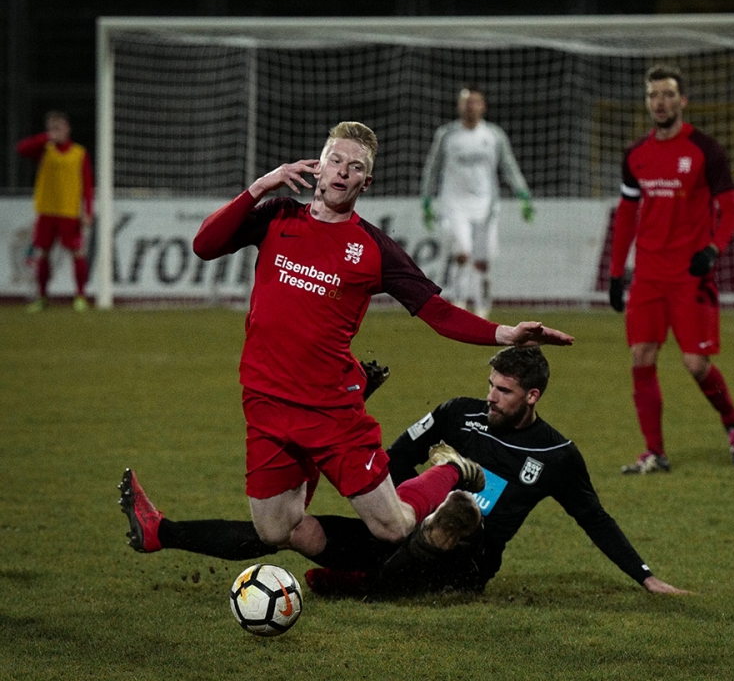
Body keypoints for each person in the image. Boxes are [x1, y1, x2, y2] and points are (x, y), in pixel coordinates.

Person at [183, 120, 573, 572]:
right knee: (275, 530)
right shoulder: (278, 215)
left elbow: (437, 312)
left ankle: (450, 469)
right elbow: (204, 245)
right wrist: (260, 187)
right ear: (318, 166)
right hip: (266, 401)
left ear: (365, 182)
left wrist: (505, 333)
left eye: (355, 167)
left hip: (331, 411)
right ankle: (363, 576)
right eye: (335, 160)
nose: (342, 171)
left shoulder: (374, 248)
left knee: (394, 527)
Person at [119, 347, 690, 598]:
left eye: (504, 391)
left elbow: (594, 517)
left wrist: (644, 576)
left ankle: (370, 575)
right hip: (401, 529)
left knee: (459, 513)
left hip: (468, 562)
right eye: (490, 385)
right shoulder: (457, 413)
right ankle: (160, 531)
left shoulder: (557, 454)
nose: (491, 397)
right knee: (292, 530)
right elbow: (390, 461)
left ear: (532, 396)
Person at [608, 65, 734, 473]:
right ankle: (655, 452)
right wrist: (617, 273)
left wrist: (713, 249)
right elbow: (627, 214)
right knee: (641, 356)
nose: (660, 102)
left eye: (668, 94)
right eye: (653, 95)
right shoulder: (635, 154)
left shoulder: (706, 150)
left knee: (696, 364)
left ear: (683, 100)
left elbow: (731, 211)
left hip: (691, 275)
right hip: (648, 275)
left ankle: (733, 422)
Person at [420, 85, 534, 319]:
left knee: (482, 261)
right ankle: (459, 304)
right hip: (454, 204)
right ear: (459, 106)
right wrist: (427, 198)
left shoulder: (493, 135)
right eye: (466, 102)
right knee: (462, 253)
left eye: (474, 102)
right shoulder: (447, 135)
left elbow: (508, 166)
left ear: (483, 106)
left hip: (486, 206)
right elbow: (433, 167)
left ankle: (482, 307)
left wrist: (523, 194)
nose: (470, 107)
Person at [16, 111, 94, 312]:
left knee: (77, 251)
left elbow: (87, 184)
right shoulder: (44, 149)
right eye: (51, 128)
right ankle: (42, 297)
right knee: (43, 253)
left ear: (68, 129)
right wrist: (45, 137)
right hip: (46, 210)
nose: (54, 132)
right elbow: (21, 148)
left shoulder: (79, 153)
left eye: (58, 128)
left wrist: (87, 210)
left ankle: (80, 296)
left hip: (69, 211)